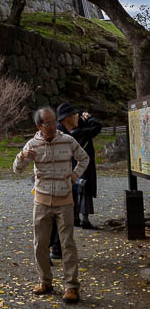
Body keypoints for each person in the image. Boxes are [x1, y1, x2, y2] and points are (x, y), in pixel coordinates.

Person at [13, 106, 89, 304]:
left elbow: (84, 158)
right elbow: (17, 169)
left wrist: (74, 176)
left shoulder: (68, 140)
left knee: (68, 244)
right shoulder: (32, 145)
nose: (54, 126)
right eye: (49, 123)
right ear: (39, 125)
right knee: (40, 244)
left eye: (55, 121)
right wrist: (22, 157)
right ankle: (45, 281)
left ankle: (72, 287)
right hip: (41, 200)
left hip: (65, 200)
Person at [50, 103, 103, 258]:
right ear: (67, 117)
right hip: (63, 181)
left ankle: (57, 249)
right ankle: (55, 249)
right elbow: (97, 127)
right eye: (75, 114)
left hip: (64, 179)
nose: (78, 117)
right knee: (60, 217)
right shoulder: (72, 134)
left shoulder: (64, 131)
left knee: (61, 217)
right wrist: (89, 118)